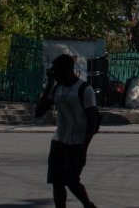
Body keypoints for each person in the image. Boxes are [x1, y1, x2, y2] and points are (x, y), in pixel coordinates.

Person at [35, 54, 98, 208]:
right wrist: (49, 85)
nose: (54, 74)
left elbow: (93, 121)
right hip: (59, 141)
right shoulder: (56, 88)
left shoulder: (84, 89)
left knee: (71, 181)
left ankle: (88, 205)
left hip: (77, 143)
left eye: (56, 71)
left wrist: (84, 149)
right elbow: (39, 112)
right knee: (57, 182)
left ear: (67, 70)